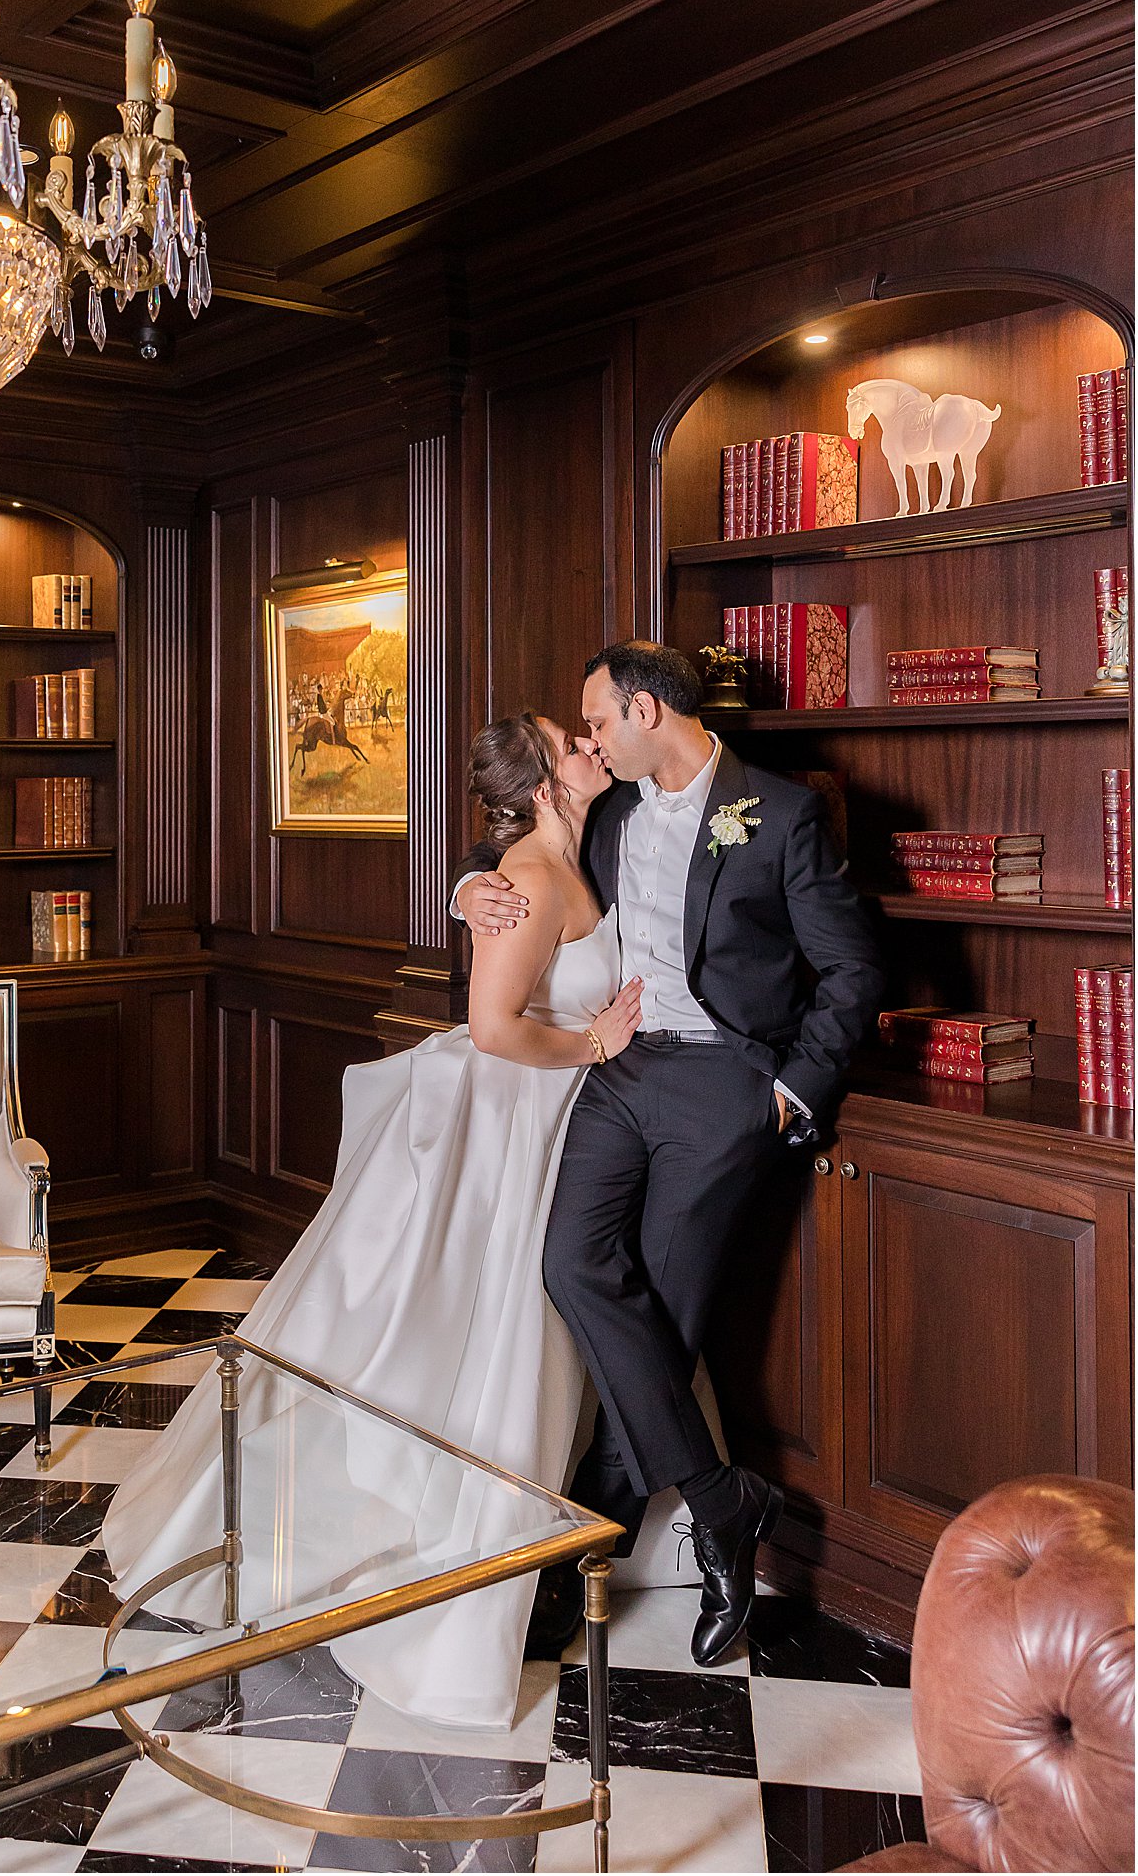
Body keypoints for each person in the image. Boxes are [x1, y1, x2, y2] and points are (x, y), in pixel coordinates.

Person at [102, 712, 640, 1728]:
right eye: (570, 739)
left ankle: (485, 1534)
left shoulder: (565, 852)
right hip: (506, 1118)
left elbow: (503, 901)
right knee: (461, 1325)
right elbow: (491, 1027)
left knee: (486, 1330)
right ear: (541, 784)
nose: (588, 744)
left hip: (536, 1121)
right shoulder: (529, 873)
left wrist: (467, 884)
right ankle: (419, 1548)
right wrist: (591, 1051)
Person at [454, 640, 885, 1666]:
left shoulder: (778, 813)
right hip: (618, 1068)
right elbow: (526, 857)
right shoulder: (604, 811)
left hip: (725, 1083)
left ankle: (576, 1563)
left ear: (647, 712)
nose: (590, 743)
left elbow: (850, 969)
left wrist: (790, 1091)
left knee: (666, 1316)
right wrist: (470, 888)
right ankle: (721, 1497)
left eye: (598, 721)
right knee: (573, 1270)